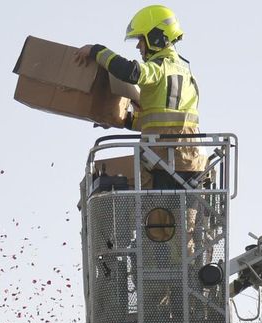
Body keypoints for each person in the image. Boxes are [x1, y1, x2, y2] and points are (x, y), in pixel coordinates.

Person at [75, 5, 202, 189]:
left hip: (166, 162)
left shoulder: (161, 67)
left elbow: (131, 72)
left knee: (156, 216)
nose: (138, 46)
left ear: (155, 37)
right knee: (181, 216)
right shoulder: (187, 73)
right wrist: (121, 119)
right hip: (188, 161)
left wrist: (96, 51)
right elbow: (159, 123)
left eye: (141, 39)